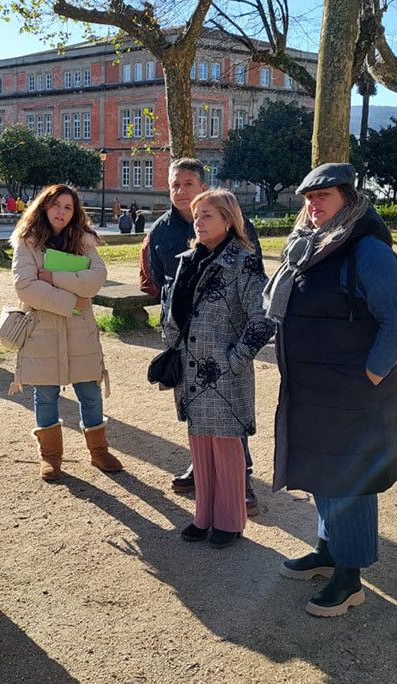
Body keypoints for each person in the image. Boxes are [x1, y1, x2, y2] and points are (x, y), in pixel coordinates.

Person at [265, 163, 397, 618]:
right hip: (312, 387)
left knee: (352, 479)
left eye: (323, 196)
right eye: (309, 197)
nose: (313, 205)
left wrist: (369, 376)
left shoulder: (366, 249)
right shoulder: (308, 248)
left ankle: (349, 579)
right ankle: (328, 550)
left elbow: (396, 321)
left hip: (352, 392)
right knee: (324, 472)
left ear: (347, 198)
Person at [144, 158, 263, 510]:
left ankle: (242, 484)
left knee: (229, 425)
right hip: (187, 350)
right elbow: (159, 282)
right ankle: (204, 486)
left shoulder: (241, 237)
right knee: (198, 423)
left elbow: (257, 300)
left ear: (203, 187)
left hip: (223, 352)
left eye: (187, 183)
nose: (180, 191)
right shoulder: (161, 232)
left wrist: (236, 355)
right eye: (174, 184)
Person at [161, 189, 274, 549]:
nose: (199, 221)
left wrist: (236, 359)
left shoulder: (244, 262)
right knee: (200, 447)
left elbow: (264, 319)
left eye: (208, 214)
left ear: (229, 219)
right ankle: (204, 516)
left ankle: (229, 521)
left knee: (226, 451)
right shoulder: (187, 259)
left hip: (223, 374)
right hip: (191, 369)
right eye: (196, 215)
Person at [10, 184, 122, 481]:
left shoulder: (84, 241)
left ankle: (99, 451)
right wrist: (71, 301)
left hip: (79, 332)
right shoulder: (27, 241)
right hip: (43, 331)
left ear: (75, 213)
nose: (61, 211)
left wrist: (53, 276)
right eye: (56, 205)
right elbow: (25, 286)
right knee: (45, 395)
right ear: (44, 206)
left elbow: (96, 280)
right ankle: (51, 457)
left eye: (68, 207)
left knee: (90, 393)